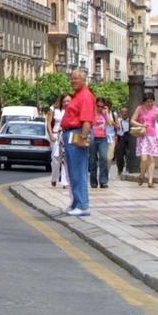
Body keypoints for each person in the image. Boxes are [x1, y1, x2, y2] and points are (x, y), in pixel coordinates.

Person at [60, 69, 96, 217]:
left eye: (76, 79)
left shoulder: (86, 96)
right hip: (71, 133)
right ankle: (75, 202)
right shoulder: (77, 96)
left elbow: (87, 120)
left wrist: (83, 137)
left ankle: (82, 205)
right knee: (72, 170)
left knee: (78, 170)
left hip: (77, 132)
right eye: (72, 79)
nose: (73, 81)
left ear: (84, 80)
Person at [131, 93, 158, 188]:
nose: (150, 103)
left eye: (151, 101)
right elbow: (132, 120)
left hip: (153, 136)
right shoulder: (139, 109)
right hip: (143, 136)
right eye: (148, 101)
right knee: (144, 158)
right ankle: (142, 174)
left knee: (152, 158)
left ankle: (150, 181)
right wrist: (141, 125)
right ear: (144, 101)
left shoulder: (156, 110)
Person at [48, 95, 70, 188]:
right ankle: (54, 178)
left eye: (69, 101)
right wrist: (51, 135)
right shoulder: (53, 109)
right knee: (56, 159)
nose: (67, 103)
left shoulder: (72, 110)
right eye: (65, 101)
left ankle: (65, 182)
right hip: (56, 135)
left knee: (65, 159)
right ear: (61, 101)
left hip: (67, 135)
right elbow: (48, 123)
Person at [89, 98, 111, 189]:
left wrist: (106, 113)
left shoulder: (105, 114)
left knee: (104, 158)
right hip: (92, 138)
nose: (100, 108)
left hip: (103, 138)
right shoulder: (91, 113)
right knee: (92, 160)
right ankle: (93, 182)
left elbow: (110, 123)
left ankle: (103, 181)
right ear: (95, 105)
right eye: (98, 106)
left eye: (102, 107)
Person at [114, 107, 131, 178]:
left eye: (126, 112)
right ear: (121, 113)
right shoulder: (118, 120)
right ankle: (119, 170)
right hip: (120, 139)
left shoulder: (130, 121)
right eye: (123, 112)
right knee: (120, 156)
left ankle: (128, 169)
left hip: (129, 139)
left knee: (129, 154)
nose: (124, 113)